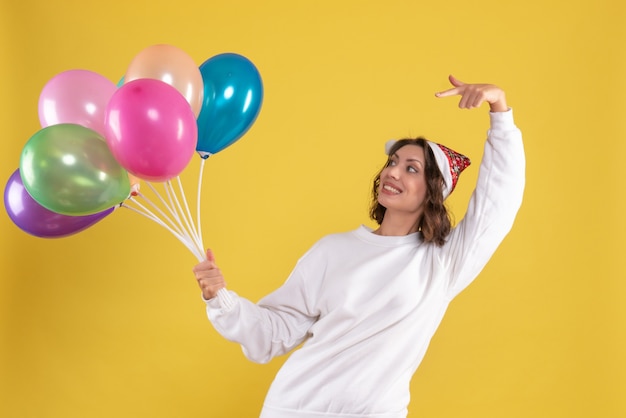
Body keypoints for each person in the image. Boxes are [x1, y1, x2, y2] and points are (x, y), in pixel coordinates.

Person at [192, 75, 525, 418]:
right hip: (294, 408)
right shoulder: (332, 251)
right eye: (392, 163)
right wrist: (221, 299)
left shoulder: (442, 263)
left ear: (433, 193)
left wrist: (499, 109)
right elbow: (273, 335)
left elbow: (497, 204)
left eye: (411, 169)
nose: (393, 172)